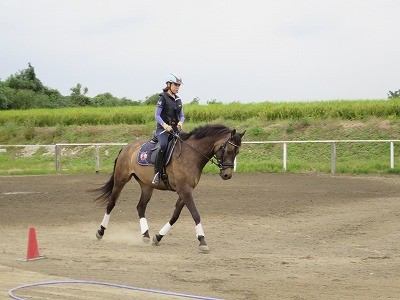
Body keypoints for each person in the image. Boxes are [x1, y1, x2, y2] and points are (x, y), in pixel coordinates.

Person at [152, 73, 185, 184]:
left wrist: (181, 122)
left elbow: (182, 115)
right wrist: (165, 126)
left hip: (175, 129)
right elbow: (157, 115)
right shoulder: (163, 97)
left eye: (179, 85)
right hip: (163, 130)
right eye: (176, 84)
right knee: (163, 146)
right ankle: (157, 172)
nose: (177, 87)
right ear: (169, 84)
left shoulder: (178, 99)